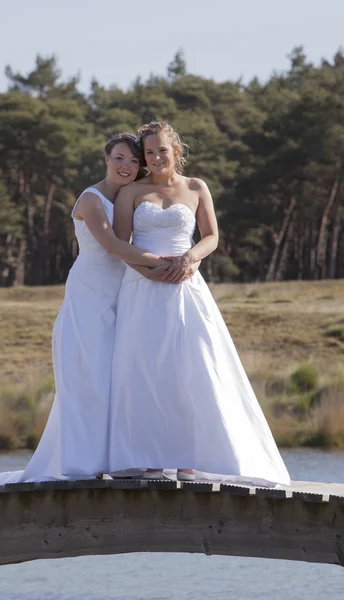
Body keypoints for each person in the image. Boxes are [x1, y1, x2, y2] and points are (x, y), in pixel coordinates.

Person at [0, 133, 169, 485]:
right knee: (89, 376)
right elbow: (111, 245)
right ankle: (83, 463)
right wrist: (164, 262)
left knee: (120, 378)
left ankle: (123, 458)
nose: (127, 166)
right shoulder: (91, 199)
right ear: (106, 158)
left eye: (133, 161)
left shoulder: (131, 197)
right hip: (90, 294)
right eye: (121, 158)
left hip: (124, 293)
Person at [108, 121, 291, 487]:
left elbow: (212, 236)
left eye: (162, 149)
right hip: (142, 288)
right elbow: (119, 244)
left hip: (185, 287)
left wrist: (189, 259)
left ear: (176, 150)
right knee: (145, 369)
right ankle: (151, 459)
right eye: (149, 152)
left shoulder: (196, 187)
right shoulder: (131, 192)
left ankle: (190, 458)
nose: (156, 157)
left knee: (192, 367)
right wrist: (148, 271)